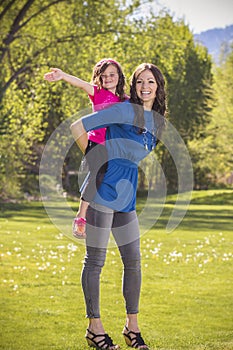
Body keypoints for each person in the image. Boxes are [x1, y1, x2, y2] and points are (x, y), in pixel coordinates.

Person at [70, 63, 167, 349]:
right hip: (103, 191)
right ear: (134, 86)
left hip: (127, 196)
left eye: (150, 82)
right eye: (139, 82)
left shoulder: (158, 122)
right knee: (95, 262)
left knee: (133, 262)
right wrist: (93, 156)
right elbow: (78, 126)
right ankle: (94, 329)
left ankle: (131, 328)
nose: (145, 87)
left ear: (159, 86)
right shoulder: (126, 110)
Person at [44, 58, 127, 238]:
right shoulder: (98, 92)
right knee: (98, 173)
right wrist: (63, 76)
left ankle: (103, 215)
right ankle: (81, 217)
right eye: (104, 76)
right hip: (96, 143)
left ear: (120, 77)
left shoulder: (124, 100)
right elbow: (81, 84)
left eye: (112, 75)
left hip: (113, 147)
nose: (108, 78)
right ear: (99, 78)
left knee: (107, 178)